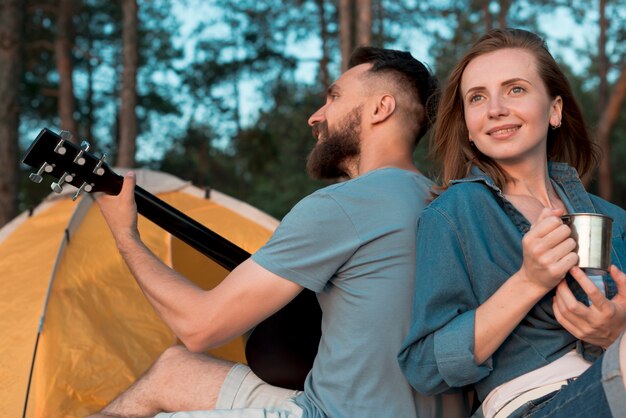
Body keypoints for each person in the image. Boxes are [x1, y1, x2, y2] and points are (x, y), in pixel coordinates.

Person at [91, 47, 471, 418]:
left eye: (334, 97)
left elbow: (199, 327)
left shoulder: (344, 205)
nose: (315, 116)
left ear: (380, 108)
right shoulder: (447, 204)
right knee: (173, 370)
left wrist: (125, 234)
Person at [398, 28, 626, 418]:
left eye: (515, 89)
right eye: (477, 97)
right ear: (468, 124)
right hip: (535, 405)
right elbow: (425, 366)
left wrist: (615, 332)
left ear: (554, 110)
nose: (495, 109)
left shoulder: (615, 219)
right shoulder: (454, 214)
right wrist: (529, 281)